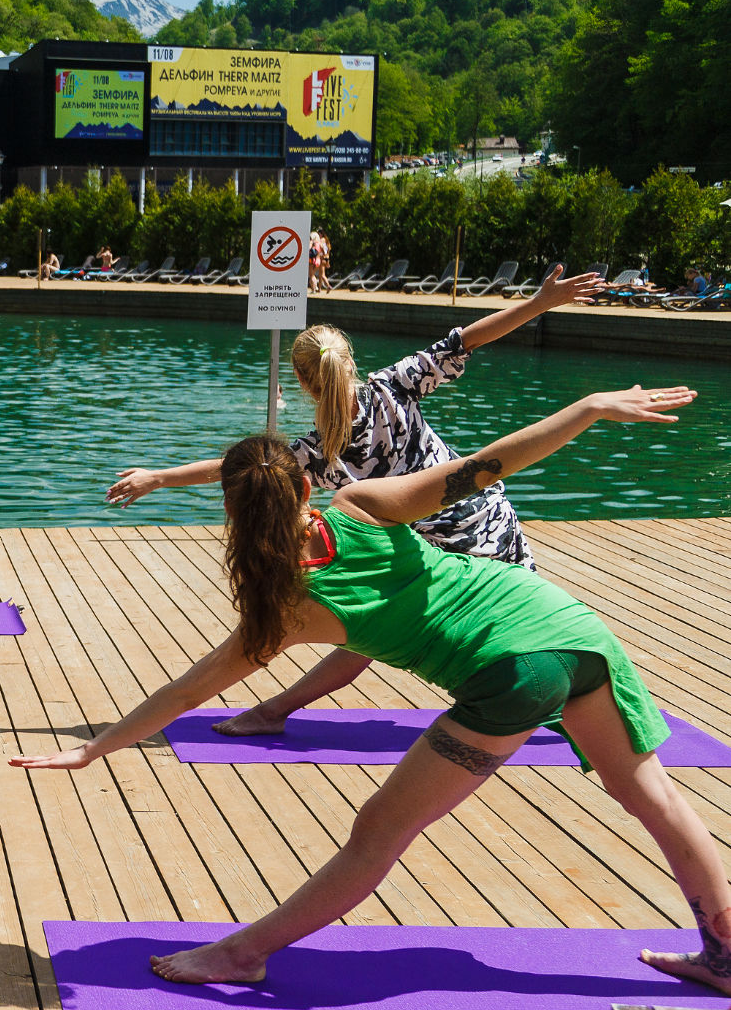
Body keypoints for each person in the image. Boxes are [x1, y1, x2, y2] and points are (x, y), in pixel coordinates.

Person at [12, 385, 731, 996]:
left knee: (378, 832)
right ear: (303, 488)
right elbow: (488, 465)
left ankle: (242, 953)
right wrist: (588, 408)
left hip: (516, 672)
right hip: (572, 630)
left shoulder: (284, 610)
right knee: (656, 800)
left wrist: (96, 748)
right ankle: (726, 958)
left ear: (231, 512)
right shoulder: (360, 504)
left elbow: (184, 693)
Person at [107, 264, 604, 733]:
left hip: (430, 552)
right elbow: (467, 338)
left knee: (365, 631)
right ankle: (577, 703)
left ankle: (274, 711)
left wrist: (159, 478)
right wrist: (540, 303)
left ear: (303, 383)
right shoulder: (393, 387)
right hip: (489, 520)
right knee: (528, 622)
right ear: (350, 361)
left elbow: (241, 468)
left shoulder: (317, 453)